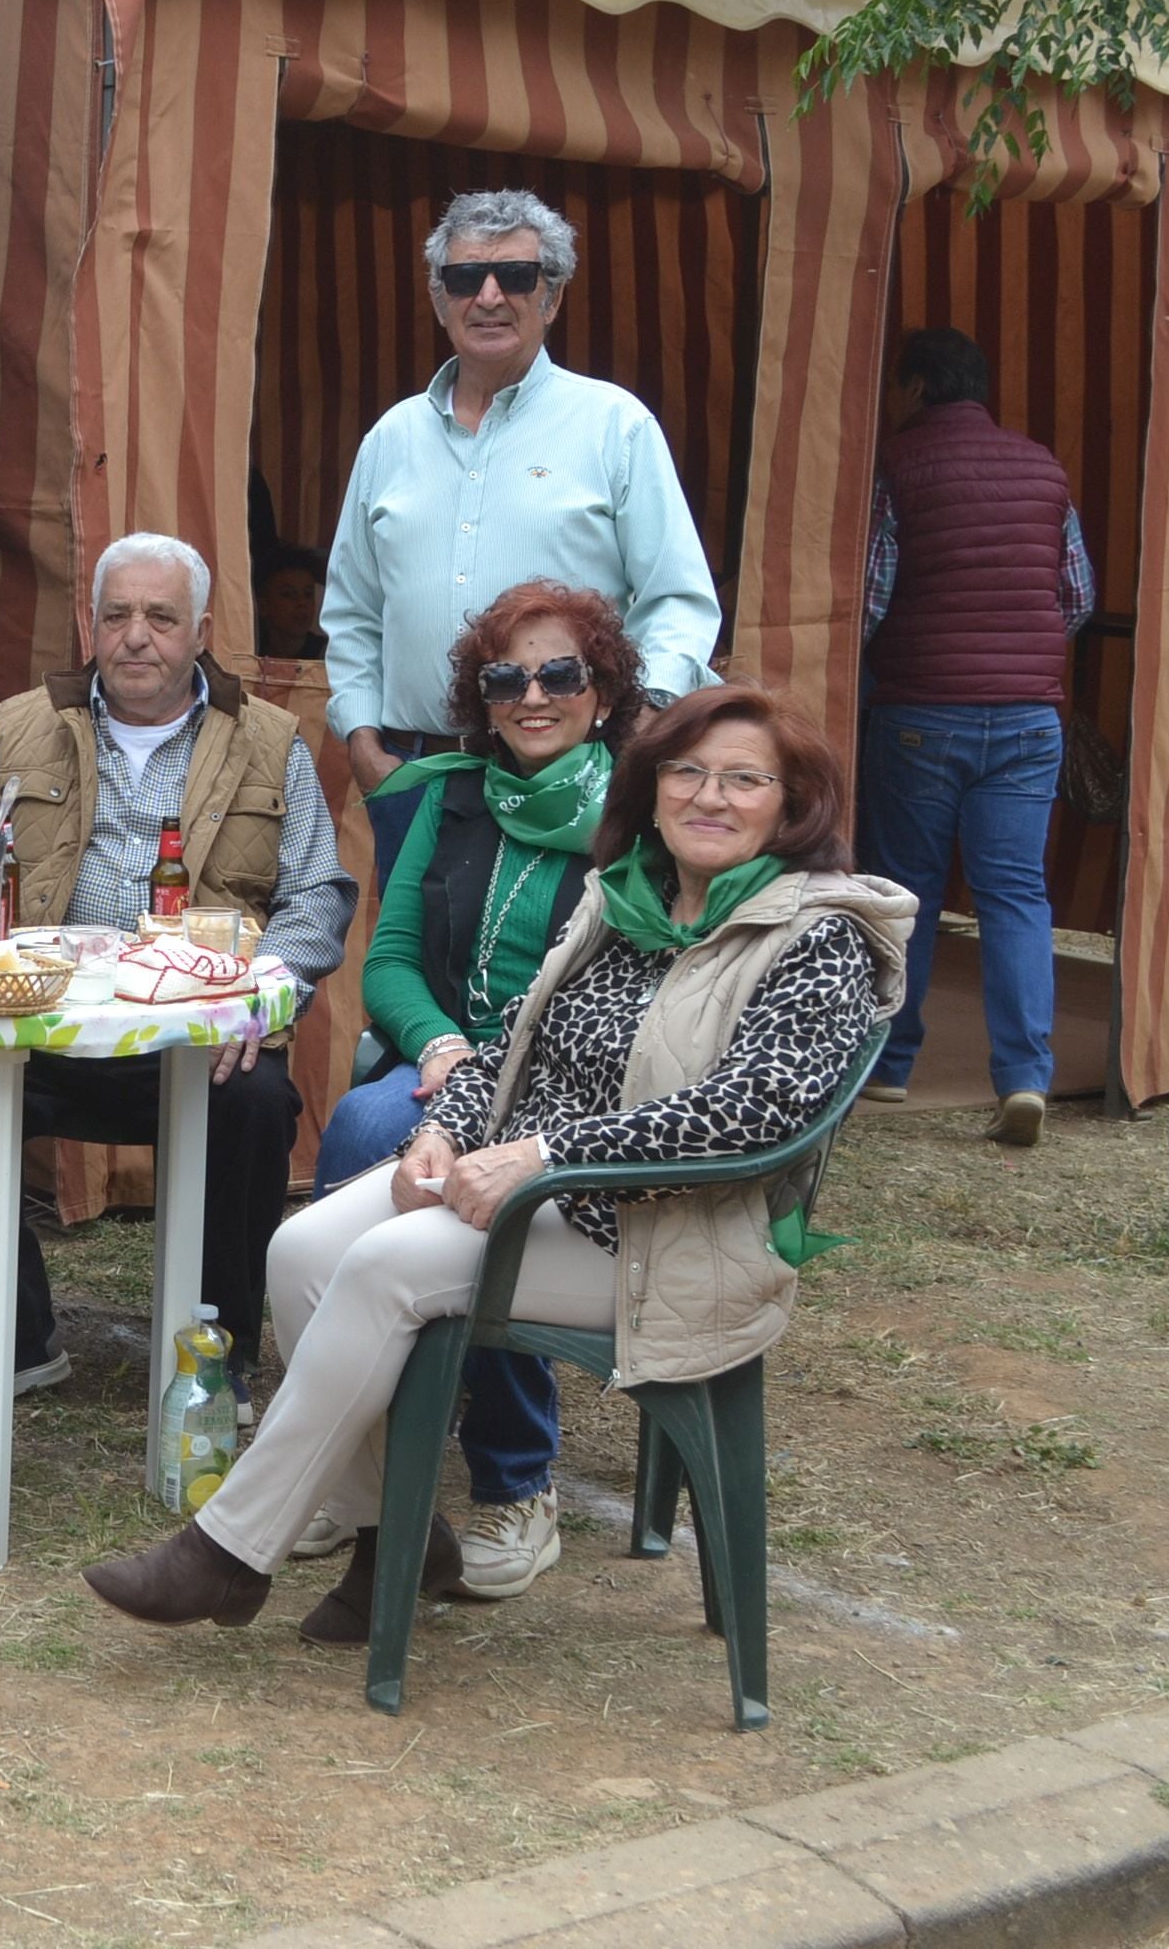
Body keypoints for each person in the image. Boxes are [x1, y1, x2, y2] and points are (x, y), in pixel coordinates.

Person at [82, 683, 909, 1649]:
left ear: (792, 802)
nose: (708, 797)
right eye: (686, 771)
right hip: (542, 1200)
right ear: (651, 788)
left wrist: (547, 1157)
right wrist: (440, 1135)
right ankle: (394, 1540)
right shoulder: (626, 901)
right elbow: (517, 1049)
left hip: (672, 1234)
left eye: (744, 780)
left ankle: (228, 1551)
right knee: (304, 1247)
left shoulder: (819, 935)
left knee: (387, 1267)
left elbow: (747, 1116)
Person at [0, 531, 358, 1391]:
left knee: (260, 1103)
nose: (136, 637)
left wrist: (260, 996)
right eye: (116, 615)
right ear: (92, 624)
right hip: (41, 1026)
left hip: (200, 1040)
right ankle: (17, 1339)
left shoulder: (268, 741)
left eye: (160, 616)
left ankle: (217, 1361)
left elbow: (317, 898)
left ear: (200, 630)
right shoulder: (14, 731)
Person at [303, 579, 644, 1600]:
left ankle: (516, 1480)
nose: (532, 695)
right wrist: (442, 1044)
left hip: (571, 1086)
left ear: (604, 691)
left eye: (559, 673)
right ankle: (349, 1457)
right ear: (480, 695)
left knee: (482, 1199)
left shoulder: (643, 814)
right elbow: (392, 959)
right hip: (445, 1059)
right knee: (364, 1125)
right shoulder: (443, 791)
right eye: (506, 677)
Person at [320, 188, 721, 878]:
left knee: (563, 973)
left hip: (567, 775)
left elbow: (678, 600)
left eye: (517, 276)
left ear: (553, 297)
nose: (490, 296)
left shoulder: (614, 427)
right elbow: (353, 612)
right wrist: (362, 742)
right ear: (440, 298)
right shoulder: (391, 438)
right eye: (466, 277)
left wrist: (642, 724)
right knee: (413, 970)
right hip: (417, 773)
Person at [859, 326, 1097, 1148]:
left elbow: (871, 600)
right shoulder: (1044, 469)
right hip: (1030, 718)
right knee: (1017, 896)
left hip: (924, 712)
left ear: (918, 387)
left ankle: (888, 1067)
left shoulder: (897, 466)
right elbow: (1077, 600)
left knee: (906, 891)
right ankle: (1025, 1075)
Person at [254, 545, 329, 662]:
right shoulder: (252, 650)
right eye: (288, 594)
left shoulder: (326, 655)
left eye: (308, 594)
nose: (302, 603)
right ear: (263, 605)